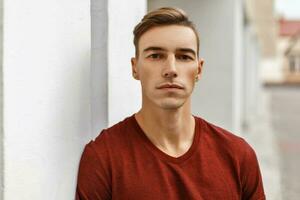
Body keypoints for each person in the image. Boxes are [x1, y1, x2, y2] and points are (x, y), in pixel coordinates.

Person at [76, 7, 265, 200]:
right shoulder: (103, 157)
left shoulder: (238, 155)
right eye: (156, 56)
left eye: (184, 57)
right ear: (135, 68)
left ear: (199, 70)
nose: (171, 69)